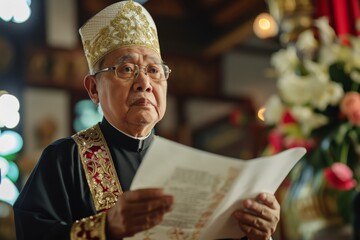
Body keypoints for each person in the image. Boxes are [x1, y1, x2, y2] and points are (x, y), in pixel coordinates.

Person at [13, 1, 280, 239]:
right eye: (127, 69)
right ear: (94, 89)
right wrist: (106, 228)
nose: (144, 83)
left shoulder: (189, 166)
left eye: (154, 70)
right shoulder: (64, 160)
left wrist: (253, 232)